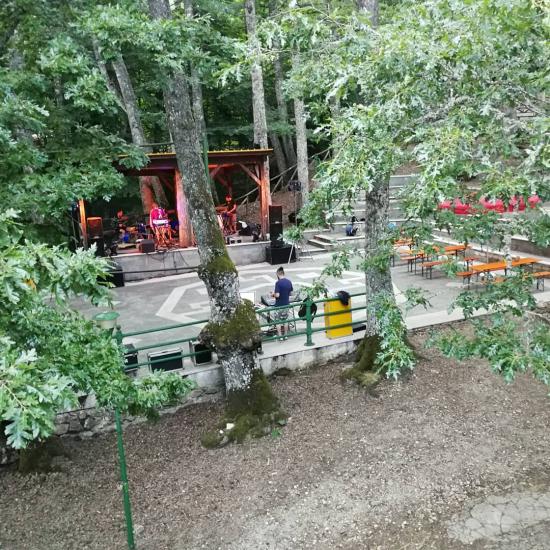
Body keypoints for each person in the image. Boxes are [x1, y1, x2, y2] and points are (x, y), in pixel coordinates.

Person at [271, 266, 293, 341]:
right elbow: (291, 293)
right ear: (283, 273)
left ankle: (280, 336)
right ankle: (286, 335)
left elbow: (277, 295)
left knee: (278, 322)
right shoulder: (289, 282)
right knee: (285, 320)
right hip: (286, 304)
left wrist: (272, 294)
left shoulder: (278, 283)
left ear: (278, 274)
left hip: (279, 305)